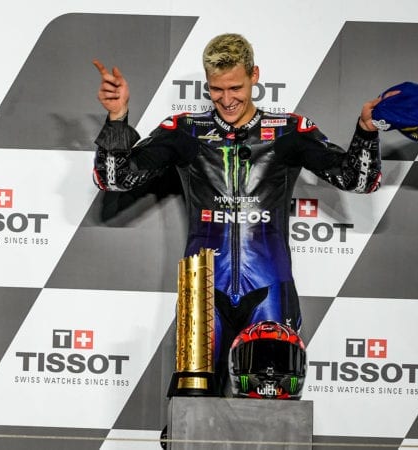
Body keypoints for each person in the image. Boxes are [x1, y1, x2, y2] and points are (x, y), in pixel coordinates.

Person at [92, 33, 387, 395]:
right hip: (203, 293)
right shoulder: (185, 131)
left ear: (254, 75)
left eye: (235, 87)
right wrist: (117, 119)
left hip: (269, 292)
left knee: (271, 415)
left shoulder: (290, 131)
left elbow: (359, 180)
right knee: (190, 413)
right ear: (207, 84)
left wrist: (366, 131)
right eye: (216, 90)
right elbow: (115, 180)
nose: (227, 100)